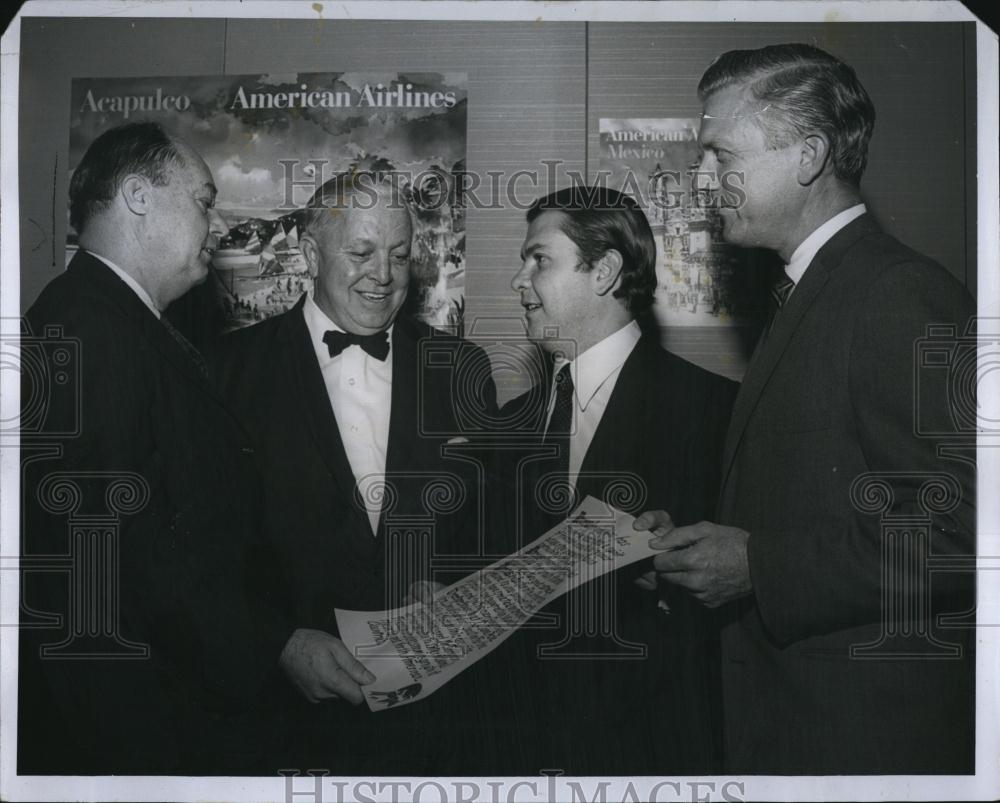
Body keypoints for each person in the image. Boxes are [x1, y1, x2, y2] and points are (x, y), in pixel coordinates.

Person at [637, 43, 976, 774]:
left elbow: (963, 531)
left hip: (864, 744)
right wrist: (700, 546)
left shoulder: (899, 294)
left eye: (719, 155)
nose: (702, 181)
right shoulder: (810, 288)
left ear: (808, 155)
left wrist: (758, 565)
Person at [18, 121, 348, 774]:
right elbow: (131, 554)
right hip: (141, 720)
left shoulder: (113, 318)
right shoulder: (91, 328)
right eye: (202, 199)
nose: (218, 222)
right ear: (138, 197)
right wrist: (274, 644)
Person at [211, 169, 498, 774]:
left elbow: (487, 525)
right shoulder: (226, 374)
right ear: (311, 254)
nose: (386, 275)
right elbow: (199, 555)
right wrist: (277, 644)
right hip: (280, 724)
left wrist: (451, 585)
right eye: (362, 253)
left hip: (435, 726)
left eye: (399, 255)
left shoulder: (461, 368)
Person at [474, 186, 736, 775]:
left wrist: (669, 568)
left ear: (606, 270)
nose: (519, 280)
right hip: (515, 749)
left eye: (538, 260)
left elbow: (738, 588)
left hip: (648, 753)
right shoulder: (507, 425)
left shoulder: (714, 410)